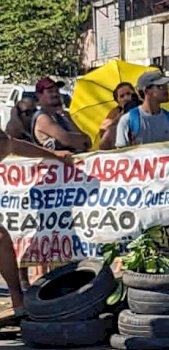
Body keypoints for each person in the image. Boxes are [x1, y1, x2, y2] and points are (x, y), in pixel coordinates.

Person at [0, 131, 74, 326]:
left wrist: (54, 155)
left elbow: (15, 145)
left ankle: (18, 302)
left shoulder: (4, 143)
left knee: (1, 239)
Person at [115, 70, 169, 148]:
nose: (166, 90)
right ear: (146, 91)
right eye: (160, 86)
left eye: (166, 86)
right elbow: (121, 154)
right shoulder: (128, 120)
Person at [33, 77, 91, 153]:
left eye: (57, 91)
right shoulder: (42, 118)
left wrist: (68, 119)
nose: (55, 94)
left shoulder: (62, 116)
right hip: (53, 163)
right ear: (39, 95)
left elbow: (88, 142)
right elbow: (67, 139)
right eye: (50, 92)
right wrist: (82, 140)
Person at [98, 82, 138, 150]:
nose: (126, 98)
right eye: (122, 96)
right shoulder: (115, 112)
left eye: (128, 94)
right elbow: (103, 131)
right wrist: (121, 115)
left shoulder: (143, 106)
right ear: (117, 101)